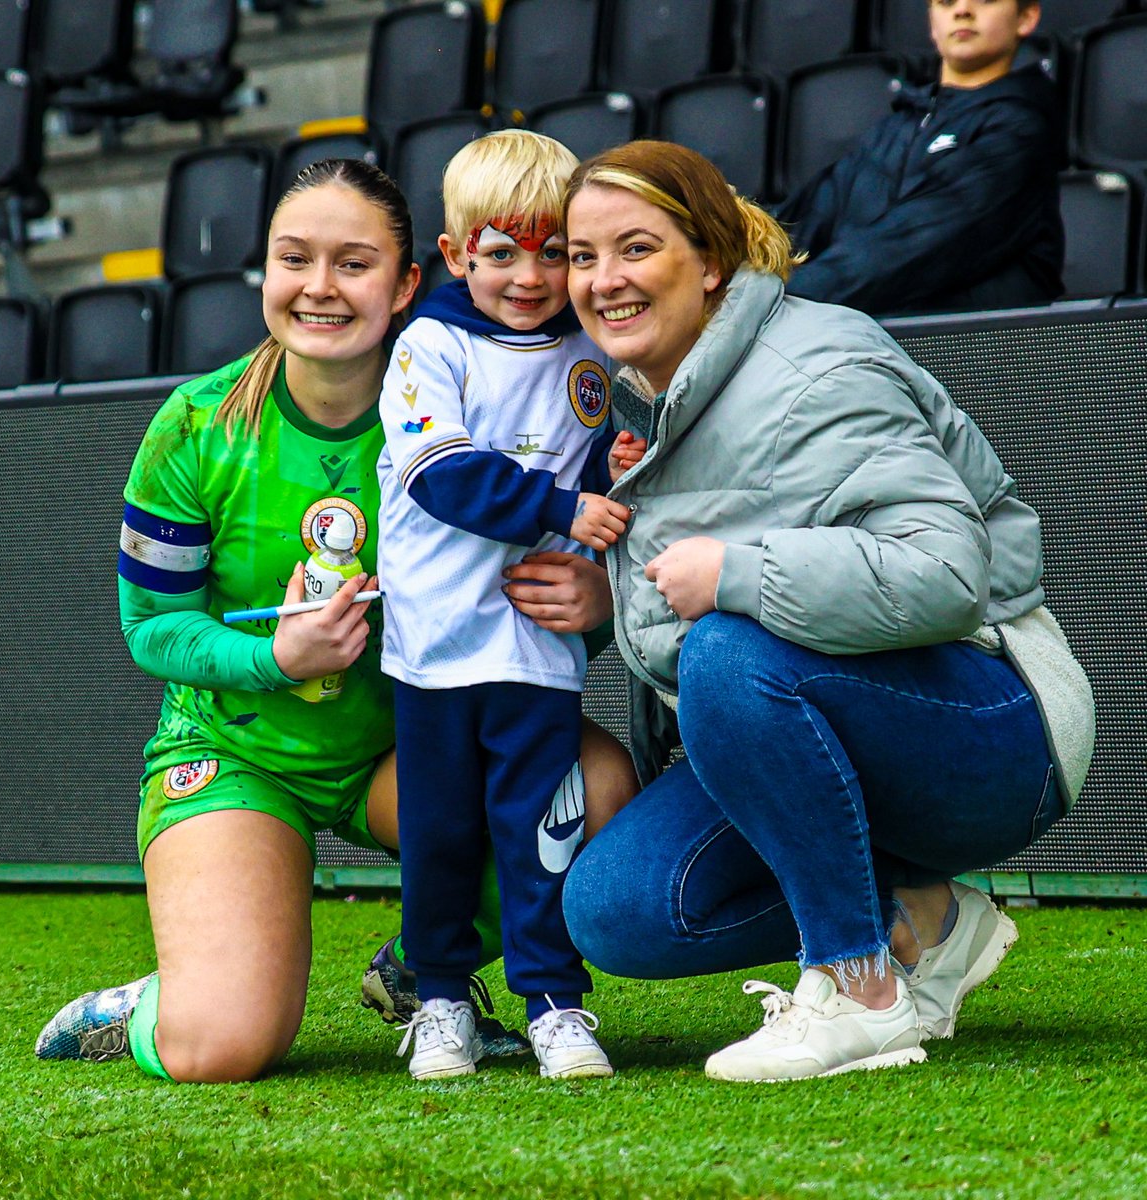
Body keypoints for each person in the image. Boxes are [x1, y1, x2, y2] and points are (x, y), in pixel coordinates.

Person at [33, 158, 636, 1084]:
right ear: (265, 275)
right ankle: (153, 1001)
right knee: (221, 1045)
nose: (318, 287)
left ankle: (420, 972)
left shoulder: (478, 391)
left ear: (406, 284)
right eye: (293, 259)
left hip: (410, 743)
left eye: (352, 264)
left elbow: (538, 589)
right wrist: (277, 653)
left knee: (592, 787)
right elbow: (152, 629)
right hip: (242, 753)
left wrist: (596, 600)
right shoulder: (195, 425)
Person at [559, 140, 1095, 1083]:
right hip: (811, 723)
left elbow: (944, 571)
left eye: (635, 249)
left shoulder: (817, 361)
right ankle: (924, 915)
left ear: (711, 259)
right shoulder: (643, 398)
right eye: (582, 256)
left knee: (729, 650)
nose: (604, 280)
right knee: (620, 907)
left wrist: (736, 570)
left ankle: (860, 988)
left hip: (997, 725)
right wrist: (602, 603)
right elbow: (681, 584)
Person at [376, 129, 633, 1082]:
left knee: (543, 834)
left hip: (537, 654)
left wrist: (621, 467)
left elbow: (611, 448)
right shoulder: (430, 347)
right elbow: (442, 477)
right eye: (501, 253)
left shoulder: (590, 348)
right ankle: (440, 999)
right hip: (437, 652)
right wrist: (565, 507)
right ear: (454, 256)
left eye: (555, 251)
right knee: (440, 836)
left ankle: (555, 1005)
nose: (530, 276)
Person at [777, 0, 1065, 316]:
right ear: (931, 23)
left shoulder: (1021, 128)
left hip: (973, 354)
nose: (962, 10)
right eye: (946, 2)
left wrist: (777, 305)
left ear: (1026, 17)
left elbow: (907, 248)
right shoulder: (893, 129)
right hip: (873, 346)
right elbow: (791, 226)